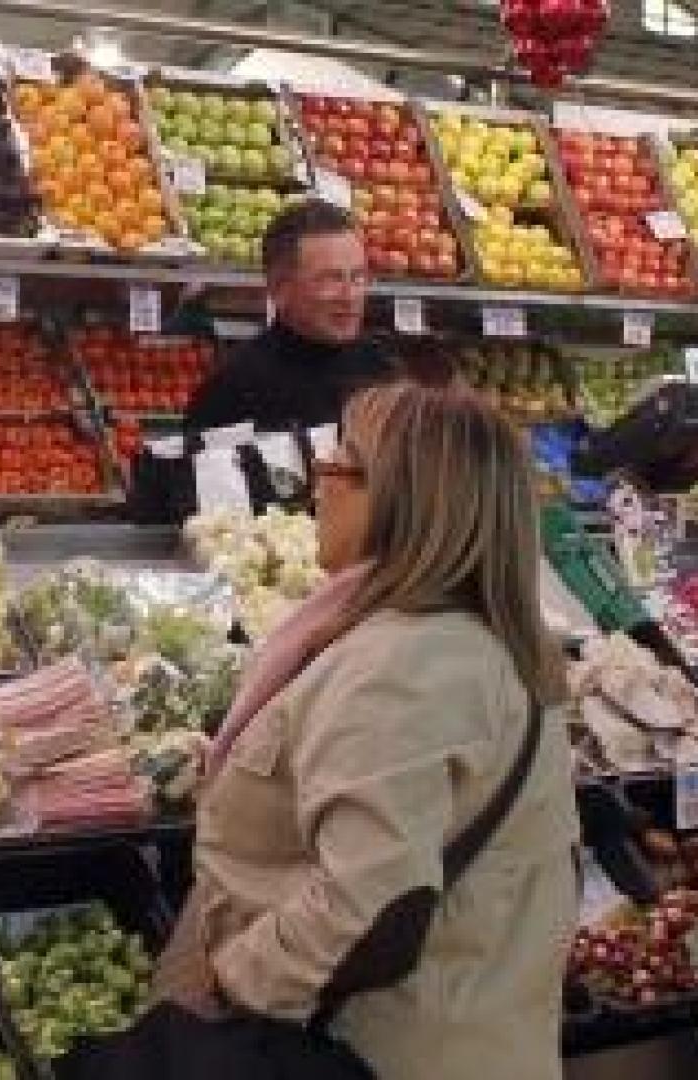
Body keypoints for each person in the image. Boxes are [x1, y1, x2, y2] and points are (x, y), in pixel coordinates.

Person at [154, 380, 579, 1079]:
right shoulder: (480, 640)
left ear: (405, 501)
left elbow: (369, 910)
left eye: (338, 463)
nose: (318, 482)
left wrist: (232, 981)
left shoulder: (405, 665)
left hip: (376, 1053)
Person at [182, 200, 396, 433]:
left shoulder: (389, 376)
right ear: (279, 288)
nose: (349, 296)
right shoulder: (232, 394)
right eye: (330, 279)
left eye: (357, 277)